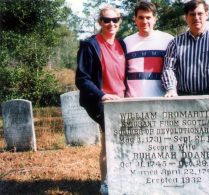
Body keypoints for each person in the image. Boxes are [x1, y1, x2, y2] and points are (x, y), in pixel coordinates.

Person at [75, 5, 126, 195]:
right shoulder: (90, 45)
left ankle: (124, 180)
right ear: (100, 22)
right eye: (106, 20)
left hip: (125, 102)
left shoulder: (123, 45)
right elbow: (82, 78)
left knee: (125, 144)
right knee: (108, 145)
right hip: (105, 103)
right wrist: (102, 95)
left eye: (115, 20)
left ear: (119, 22)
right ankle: (106, 185)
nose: (110, 23)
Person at [161, 0, 209, 97]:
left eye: (200, 14)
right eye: (192, 14)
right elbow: (168, 69)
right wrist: (171, 89)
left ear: (206, 15)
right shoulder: (175, 43)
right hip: (183, 97)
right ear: (186, 17)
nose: (196, 18)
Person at [123, 0, 174, 97]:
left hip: (161, 100)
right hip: (132, 102)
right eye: (141, 17)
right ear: (135, 19)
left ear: (155, 19)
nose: (144, 21)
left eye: (148, 17)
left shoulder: (168, 40)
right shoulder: (126, 42)